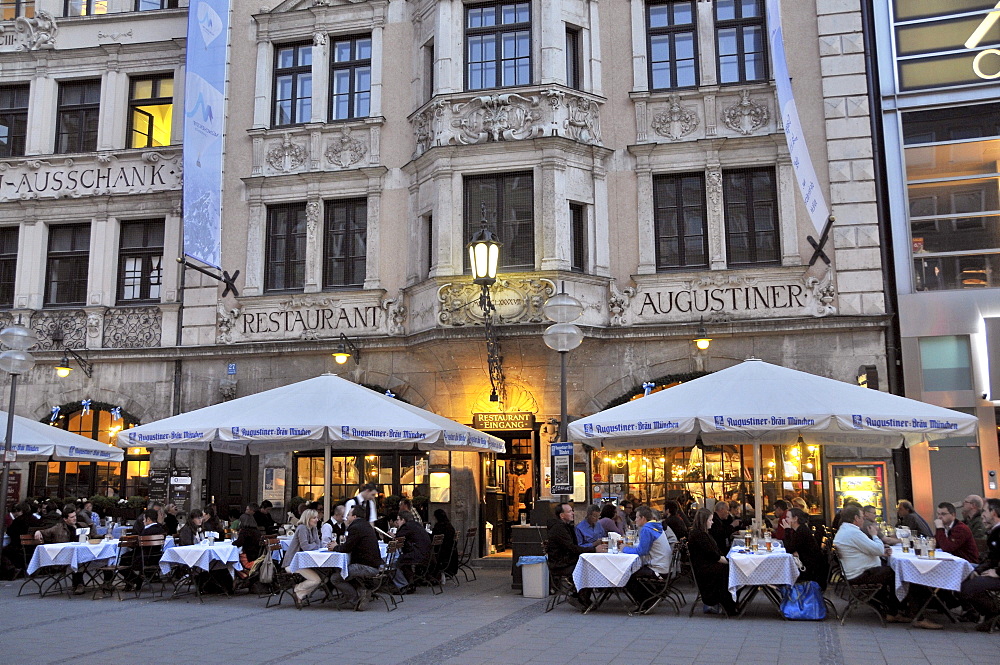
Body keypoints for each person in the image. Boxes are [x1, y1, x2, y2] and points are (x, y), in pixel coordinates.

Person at [832, 505, 908, 624]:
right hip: (859, 574)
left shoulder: (846, 530)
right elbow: (877, 548)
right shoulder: (853, 532)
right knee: (896, 572)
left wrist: (881, 551)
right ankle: (894, 612)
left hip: (853, 571)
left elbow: (868, 549)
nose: (863, 520)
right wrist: (874, 535)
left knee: (889, 570)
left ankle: (882, 603)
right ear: (856, 518)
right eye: (862, 517)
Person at [546, 503, 607, 608]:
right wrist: (593, 549)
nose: (573, 513)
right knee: (587, 568)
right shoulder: (559, 529)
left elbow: (573, 547)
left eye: (572, 510)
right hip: (561, 564)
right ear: (562, 515)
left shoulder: (566, 526)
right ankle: (580, 598)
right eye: (569, 511)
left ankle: (580, 596)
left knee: (589, 565)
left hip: (566, 560)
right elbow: (572, 548)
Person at [331, 505, 383, 611]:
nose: (346, 517)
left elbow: (347, 547)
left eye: (349, 515)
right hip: (374, 565)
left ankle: (356, 600)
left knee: (335, 578)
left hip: (366, 566)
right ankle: (363, 591)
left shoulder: (355, 527)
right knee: (344, 571)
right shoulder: (366, 525)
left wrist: (335, 547)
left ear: (354, 516)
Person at [959, 497, 1000, 631]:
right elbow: (991, 558)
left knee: (968, 587)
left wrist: (997, 572)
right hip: (994, 571)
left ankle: (994, 613)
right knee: (964, 577)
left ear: (993, 513)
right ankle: (990, 615)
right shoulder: (994, 531)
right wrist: (979, 570)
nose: (982, 514)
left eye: (985, 511)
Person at [687, 508, 737, 616]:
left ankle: (732, 602)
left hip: (707, 566)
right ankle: (729, 604)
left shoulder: (702, 534)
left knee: (730, 569)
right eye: (710, 520)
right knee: (729, 570)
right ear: (704, 521)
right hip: (706, 570)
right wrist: (730, 562)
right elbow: (714, 556)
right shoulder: (700, 535)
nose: (712, 522)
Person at [621, 506, 672, 607]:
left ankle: (646, 601)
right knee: (633, 570)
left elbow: (642, 551)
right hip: (665, 567)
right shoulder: (656, 526)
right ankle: (650, 597)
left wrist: (624, 549)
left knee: (627, 574)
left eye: (637, 517)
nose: (635, 520)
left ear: (643, 518)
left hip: (658, 569)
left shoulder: (646, 529)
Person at [34, 504, 87, 595]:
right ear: (65, 519)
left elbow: (93, 536)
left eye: (75, 516)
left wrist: (103, 536)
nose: (75, 518)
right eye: (72, 517)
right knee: (78, 559)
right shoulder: (58, 528)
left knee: (102, 557)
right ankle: (79, 584)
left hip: (80, 554)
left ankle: (106, 582)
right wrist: (38, 531)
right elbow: (46, 532)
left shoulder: (80, 526)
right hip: (62, 556)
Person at [281, 508, 322, 608]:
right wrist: (314, 545)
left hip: (304, 562)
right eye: (314, 518)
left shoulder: (313, 528)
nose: (317, 519)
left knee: (322, 578)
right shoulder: (302, 528)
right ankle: (297, 590)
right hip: (293, 563)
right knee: (316, 580)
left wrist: (314, 545)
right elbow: (306, 547)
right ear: (308, 519)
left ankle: (299, 594)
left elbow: (319, 544)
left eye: (317, 517)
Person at [122, 508, 166, 592]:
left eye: (144, 519)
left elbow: (137, 546)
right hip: (156, 557)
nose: (143, 521)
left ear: (148, 519)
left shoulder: (146, 531)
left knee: (123, 559)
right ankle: (132, 581)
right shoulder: (161, 529)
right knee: (126, 557)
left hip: (143, 558)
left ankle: (134, 579)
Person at [783, 507, 827, 589]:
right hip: (809, 566)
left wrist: (787, 530)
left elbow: (789, 549)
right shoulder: (800, 529)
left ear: (795, 518)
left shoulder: (802, 531)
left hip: (810, 570)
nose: (785, 519)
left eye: (788, 517)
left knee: (783, 572)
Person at [393, 509, 431, 591]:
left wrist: (390, 535)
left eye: (398, 520)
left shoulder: (406, 526)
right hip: (426, 554)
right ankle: (410, 582)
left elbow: (398, 538)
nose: (397, 522)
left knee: (397, 561)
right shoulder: (416, 524)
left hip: (417, 554)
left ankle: (404, 585)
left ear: (403, 520)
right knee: (404, 560)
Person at [431, 509, 458, 578]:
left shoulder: (439, 527)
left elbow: (433, 537)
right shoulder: (449, 526)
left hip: (442, 552)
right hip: (451, 552)